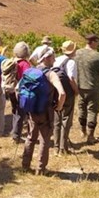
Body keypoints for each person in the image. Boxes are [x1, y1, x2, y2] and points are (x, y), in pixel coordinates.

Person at [21, 46, 66, 175]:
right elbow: (62, 93)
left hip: (32, 110)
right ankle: (40, 169)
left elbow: (19, 90)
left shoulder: (30, 71)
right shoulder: (51, 74)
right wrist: (59, 106)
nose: (55, 59)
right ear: (46, 58)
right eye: (53, 56)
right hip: (45, 112)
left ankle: (25, 165)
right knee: (44, 140)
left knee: (30, 137)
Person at [75, 34, 99, 144]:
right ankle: (91, 136)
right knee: (92, 111)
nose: (98, 44)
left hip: (80, 86)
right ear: (93, 42)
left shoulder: (77, 53)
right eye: (97, 41)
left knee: (82, 109)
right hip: (93, 87)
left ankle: (83, 132)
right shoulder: (97, 56)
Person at [53, 40, 79, 155]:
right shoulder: (71, 62)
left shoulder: (57, 59)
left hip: (55, 91)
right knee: (66, 119)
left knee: (57, 119)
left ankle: (56, 146)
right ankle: (63, 148)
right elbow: (71, 78)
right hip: (67, 93)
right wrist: (76, 91)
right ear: (73, 51)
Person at [7, 42, 32, 143]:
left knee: (15, 111)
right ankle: (16, 136)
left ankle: (14, 132)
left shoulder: (12, 61)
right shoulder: (25, 64)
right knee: (20, 113)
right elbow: (27, 78)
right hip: (20, 91)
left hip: (11, 89)